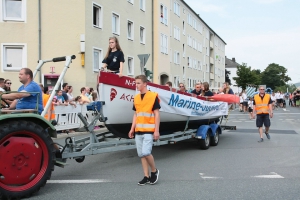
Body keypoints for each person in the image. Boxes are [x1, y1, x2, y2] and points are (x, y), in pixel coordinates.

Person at [128, 74, 160, 186]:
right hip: (138, 130)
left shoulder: (153, 96)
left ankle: (154, 171)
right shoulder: (136, 97)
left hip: (149, 130)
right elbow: (135, 114)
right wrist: (132, 129)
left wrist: (157, 130)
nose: (136, 85)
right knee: (141, 155)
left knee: (146, 152)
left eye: (138, 83)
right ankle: (146, 176)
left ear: (145, 84)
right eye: (135, 83)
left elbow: (157, 114)